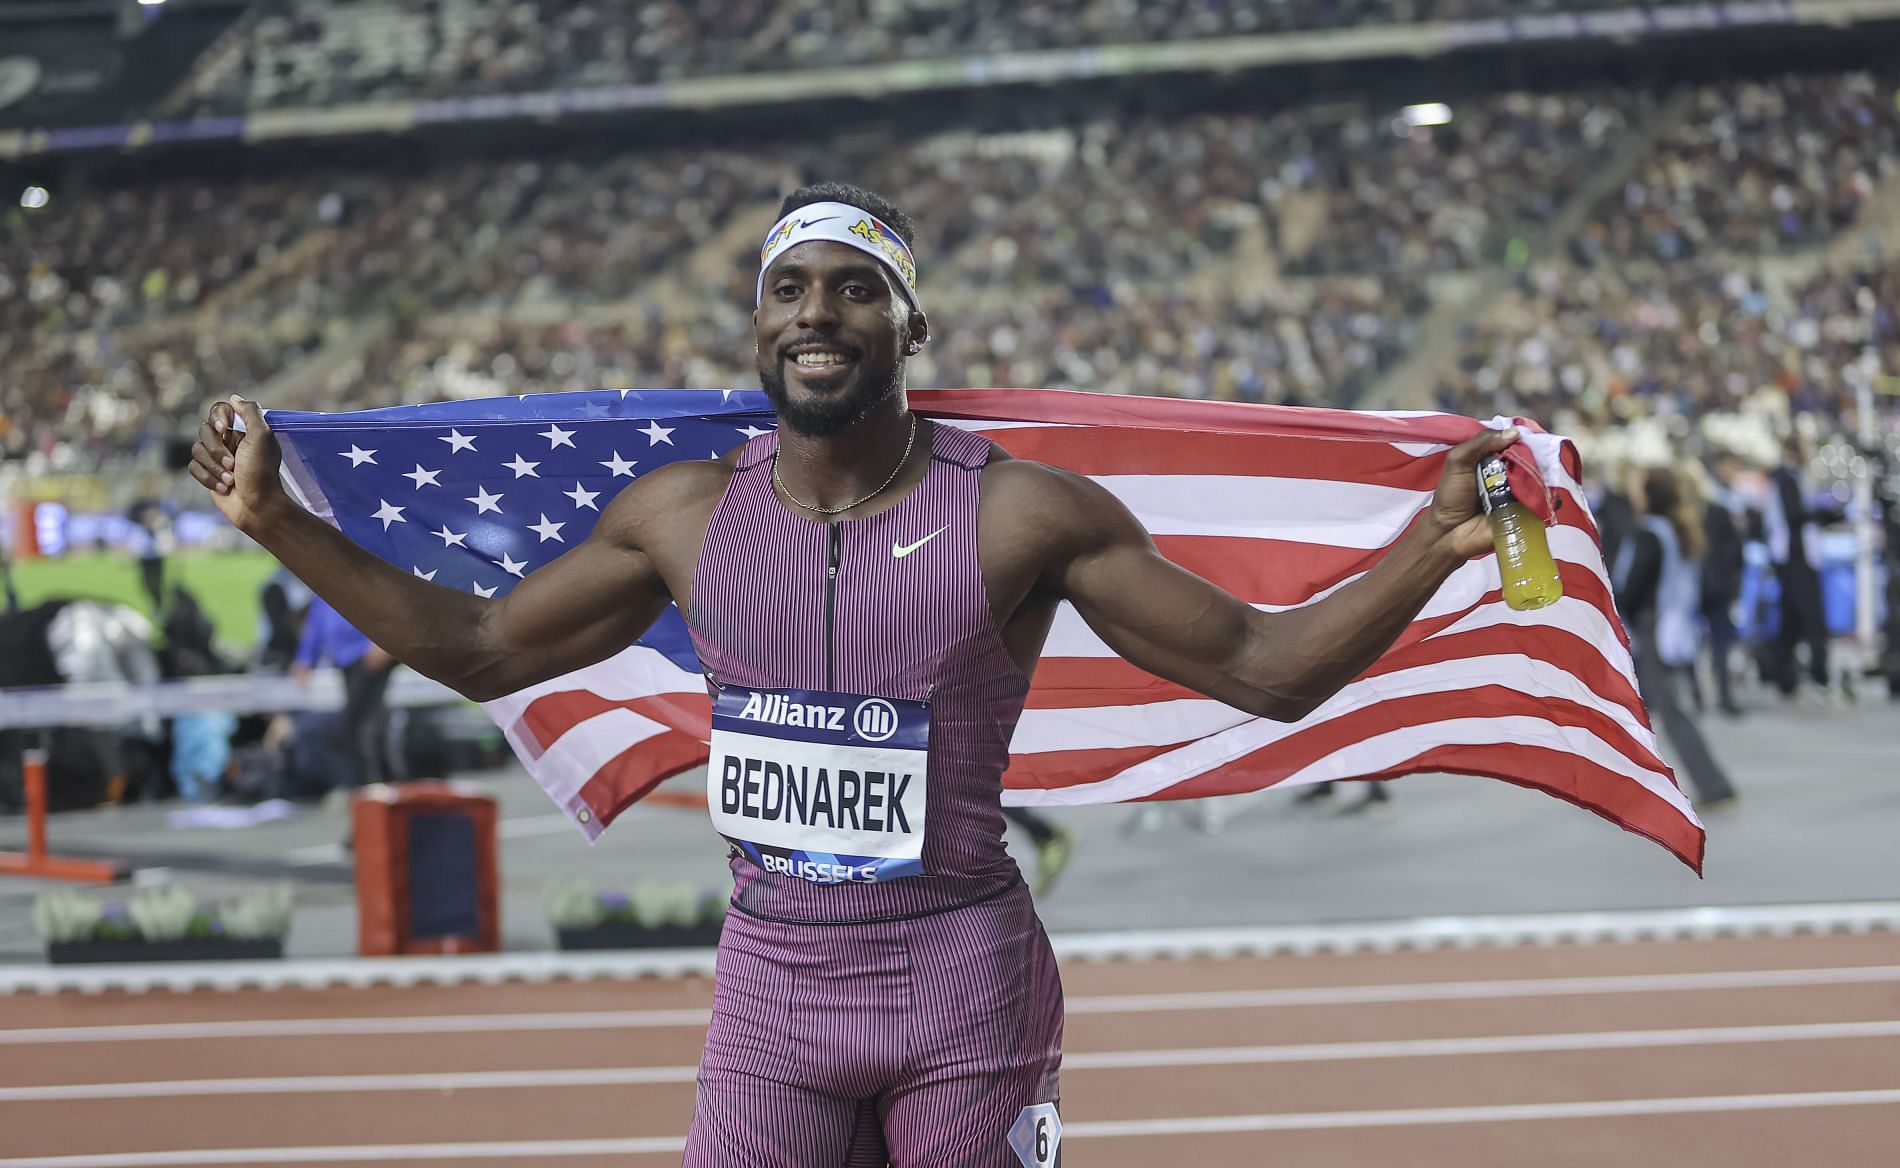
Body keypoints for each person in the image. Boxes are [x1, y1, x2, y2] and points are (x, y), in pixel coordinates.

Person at [189, 183, 1525, 1167]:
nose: (817, 312)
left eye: (852, 287)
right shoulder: (683, 516)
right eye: (789, 288)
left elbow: (1264, 666)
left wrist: (1434, 544)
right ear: (757, 325)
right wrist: (278, 524)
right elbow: (484, 650)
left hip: (963, 974)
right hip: (772, 979)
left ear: (908, 324)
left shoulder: (1022, 514)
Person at [1614, 467, 1736, 810]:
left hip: (1650, 627)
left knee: (1666, 711)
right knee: (1642, 711)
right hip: (1671, 625)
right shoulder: (1677, 528)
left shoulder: (1650, 533)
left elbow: (1634, 584)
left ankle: (1712, 784)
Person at [290, 596, 397, 789]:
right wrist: (305, 657)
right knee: (362, 726)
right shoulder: (324, 581)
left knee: (360, 727)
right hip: (348, 660)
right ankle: (372, 789)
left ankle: (371, 789)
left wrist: (385, 642)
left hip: (367, 656)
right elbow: (318, 618)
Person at [1764, 436, 1832, 701]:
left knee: (1791, 622)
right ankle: (1819, 676)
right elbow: (1795, 516)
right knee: (1812, 620)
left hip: (1793, 560)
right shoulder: (1786, 479)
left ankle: (1785, 679)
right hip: (1796, 560)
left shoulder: (1786, 478)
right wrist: (1823, 514)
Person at [1697, 453, 1749, 717]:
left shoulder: (1704, 508)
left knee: (1709, 641)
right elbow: (1736, 549)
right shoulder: (1719, 507)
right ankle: (1721, 694)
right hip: (1715, 584)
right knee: (1719, 640)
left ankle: (1701, 695)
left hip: (1704, 583)